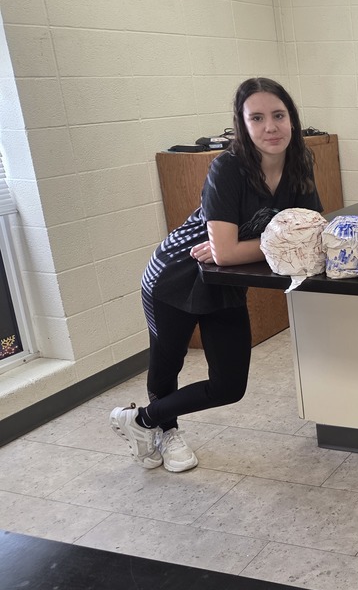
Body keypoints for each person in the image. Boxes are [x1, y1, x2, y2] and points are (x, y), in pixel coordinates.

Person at [110, 77, 322, 472]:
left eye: (278, 115)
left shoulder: (300, 164)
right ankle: (166, 432)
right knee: (166, 366)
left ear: (292, 119)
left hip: (224, 281)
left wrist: (237, 252)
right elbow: (226, 251)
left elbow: (311, 234)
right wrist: (260, 246)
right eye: (256, 118)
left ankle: (139, 420)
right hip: (173, 275)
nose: (270, 127)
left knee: (229, 385)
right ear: (243, 124)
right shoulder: (227, 167)